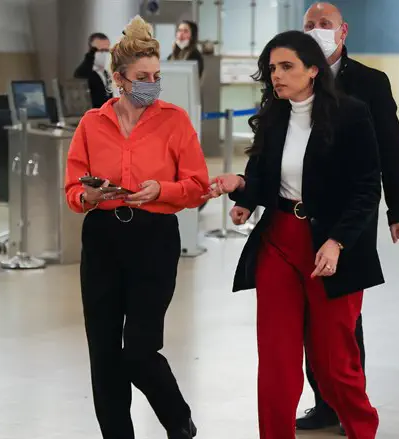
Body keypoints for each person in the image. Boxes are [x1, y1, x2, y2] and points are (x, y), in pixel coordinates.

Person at [204, 30, 383, 439]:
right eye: (272, 69)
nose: (277, 76)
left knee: (333, 361)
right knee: (277, 358)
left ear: (314, 71)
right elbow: (263, 173)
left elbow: (367, 189)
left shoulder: (351, 114)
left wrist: (337, 242)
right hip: (280, 240)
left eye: (287, 67)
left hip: (331, 245)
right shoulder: (274, 115)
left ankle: (362, 429)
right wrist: (243, 193)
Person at [64, 15, 208, 439]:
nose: (151, 83)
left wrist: (159, 189)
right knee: (104, 352)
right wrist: (87, 196)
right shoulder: (92, 123)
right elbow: (72, 187)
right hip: (104, 239)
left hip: (154, 239)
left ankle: (177, 419)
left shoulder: (175, 121)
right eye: (142, 76)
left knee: (140, 349)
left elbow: (198, 186)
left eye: (157, 75)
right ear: (119, 79)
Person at [297, 2, 399, 434]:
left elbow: (389, 151)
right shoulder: (289, 78)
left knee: (344, 316)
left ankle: (350, 403)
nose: (315, 31)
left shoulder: (369, 82)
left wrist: (397, 211)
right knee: (311, 313)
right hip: (303, 215)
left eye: (323, 25)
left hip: (352, 214)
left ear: (342, 32)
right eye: (308, 25)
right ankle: (323, 402)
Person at [74, 32, 114, 108]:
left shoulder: (105, 73)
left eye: (106, 50)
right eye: (101, 50)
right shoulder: (83, 72)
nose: (104, 54)